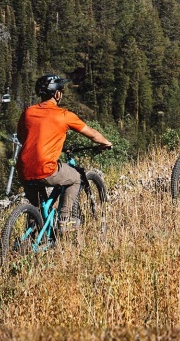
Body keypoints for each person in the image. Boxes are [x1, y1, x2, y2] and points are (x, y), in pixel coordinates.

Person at [16, 74, 113, 230]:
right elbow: (93, 135)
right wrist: (106, 142)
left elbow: (22, 138)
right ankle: (65, 219)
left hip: (23, 169)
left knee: (38, 209)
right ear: (57, 94)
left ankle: (32, 239)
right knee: (75, 178)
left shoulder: (28, 112)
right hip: (46, 168)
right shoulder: (64, 115)